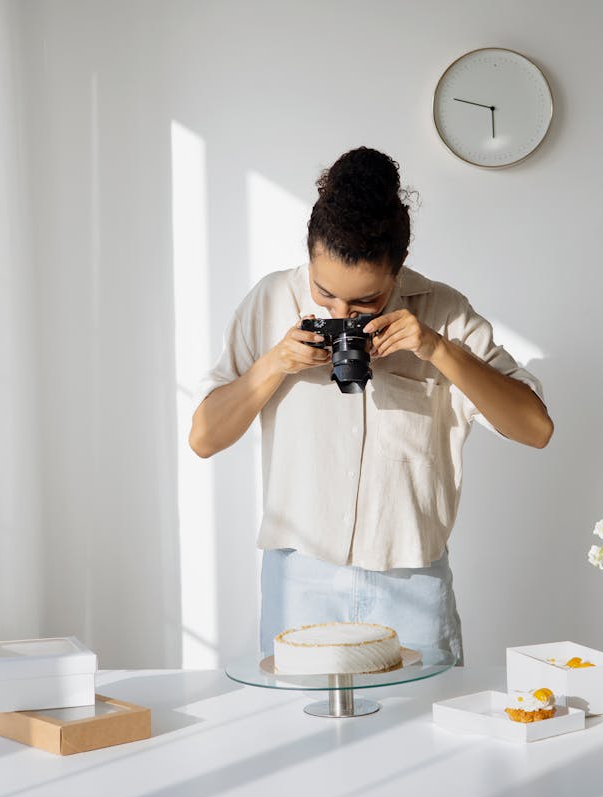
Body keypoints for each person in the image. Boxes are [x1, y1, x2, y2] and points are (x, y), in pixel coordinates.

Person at [189, 147, 553, 662]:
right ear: (310, 254)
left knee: (422, 736)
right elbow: (204, 439)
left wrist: (436, 349)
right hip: (300, 577)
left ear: (397, 271)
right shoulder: (270, 302)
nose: (343, 314)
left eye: (365, 303)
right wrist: (274, 365)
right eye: (324, 294)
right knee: (302, 734)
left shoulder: (444, 312)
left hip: (412, 578)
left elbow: (535, 428)